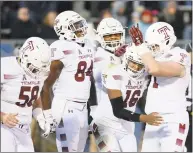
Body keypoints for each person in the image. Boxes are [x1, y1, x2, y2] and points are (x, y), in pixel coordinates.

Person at [90, 18, 163, 152]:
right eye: (108, 36)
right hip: (106, 120)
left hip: (126, 122)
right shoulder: (106, 62)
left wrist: (139, 46)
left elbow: (153, 62)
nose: (135, 67)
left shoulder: (140, 69)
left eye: (116, 35)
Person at [129, 22, 191, 152]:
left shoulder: (179, 54)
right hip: (153, 119)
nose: (152, 49)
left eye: (155, 46)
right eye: (150, 47)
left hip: (172, 120)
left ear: (167, 41)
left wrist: (141, 48)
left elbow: (155, 68)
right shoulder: (152, 57)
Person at [40, 11, 95, 152]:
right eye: (76, 25)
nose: (81, 28)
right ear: (64, 29)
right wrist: (48, 115)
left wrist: (94, 108)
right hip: (65, 106)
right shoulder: (60, 47)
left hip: (83, 106)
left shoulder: (88, 44)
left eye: (81, 24)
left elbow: (90, 78)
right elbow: (45, 85)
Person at [1, 37, 54, 152]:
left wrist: (40, 118)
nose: (37, 73)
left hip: (24, 130)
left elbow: (34, 98)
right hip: (4, 128)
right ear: (24, 56)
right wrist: (2, 116)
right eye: (34, 69)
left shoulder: (40, 70)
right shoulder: (4, 67)